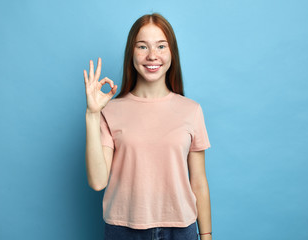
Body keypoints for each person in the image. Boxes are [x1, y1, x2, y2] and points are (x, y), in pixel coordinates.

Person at [83, 13, 213, 240]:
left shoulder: (191, 110)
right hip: (122, 230)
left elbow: (199, 181)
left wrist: (207, 235)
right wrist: (92, 115)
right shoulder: (110, 111)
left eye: (161, 46)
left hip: (181, 230)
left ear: (171, 52)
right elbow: (97, 181)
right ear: (131, 53)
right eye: (142, 47)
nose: (152, 56)